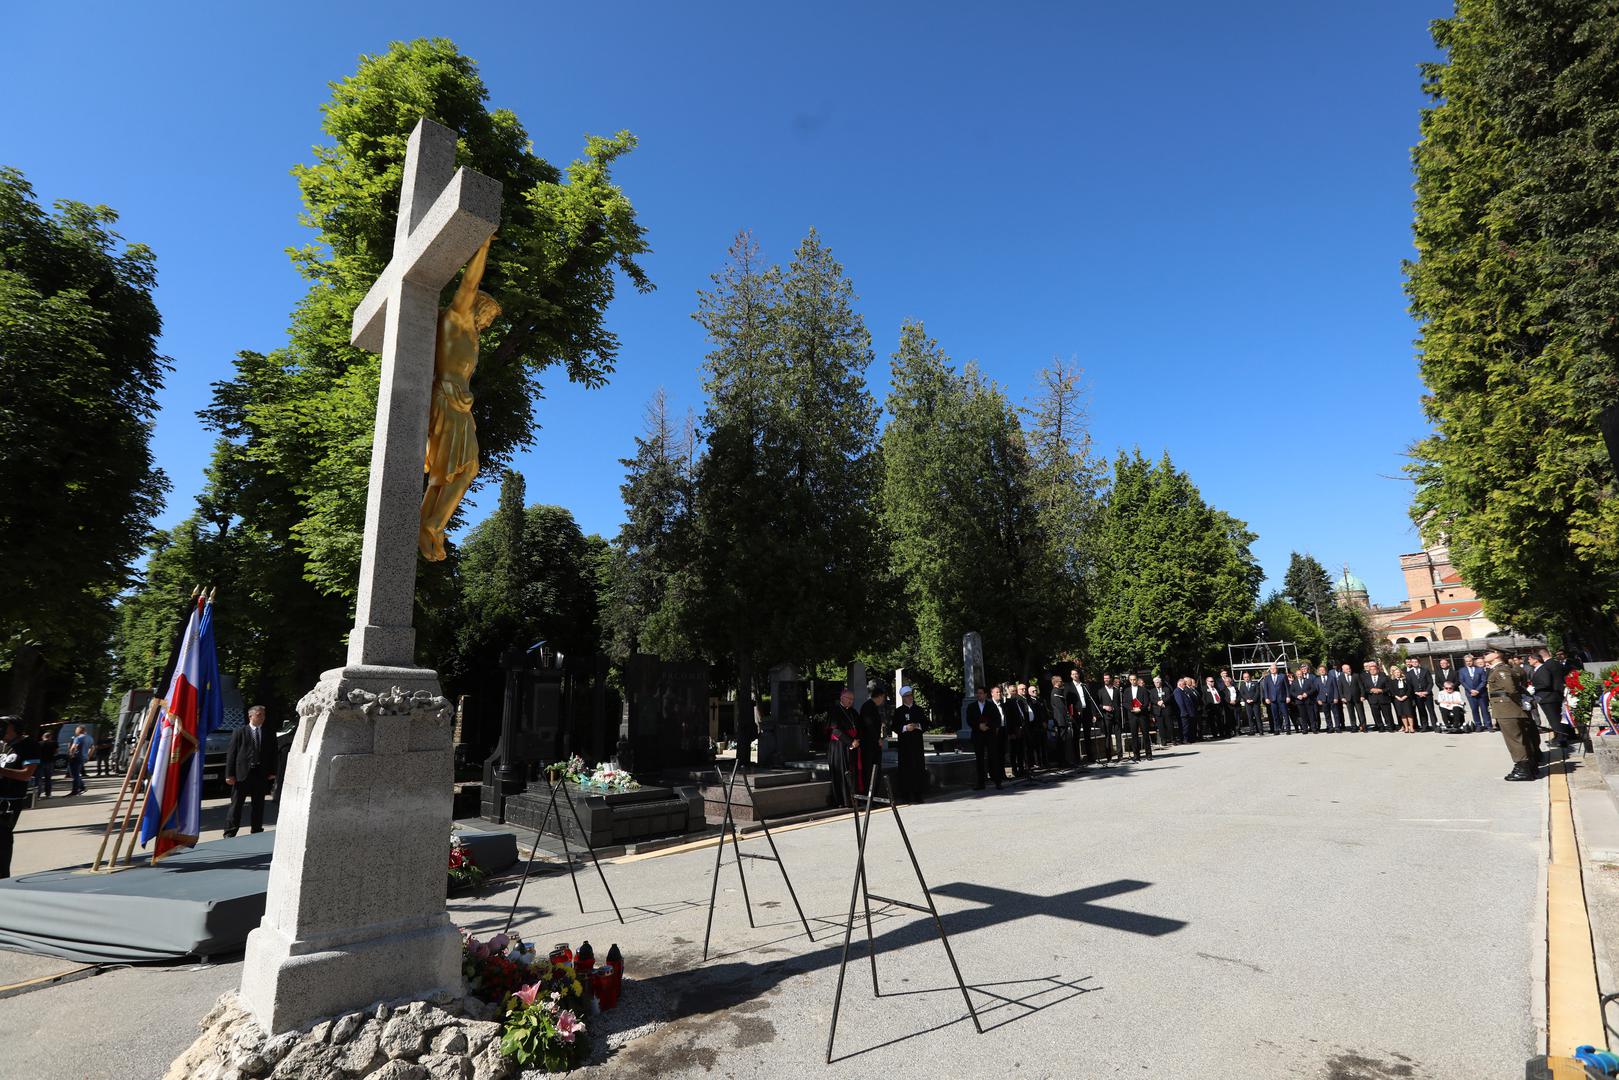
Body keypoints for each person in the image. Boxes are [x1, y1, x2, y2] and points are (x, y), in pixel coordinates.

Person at [224, 706, 278, 837]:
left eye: (264, 715)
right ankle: (230, 832)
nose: (262, 718)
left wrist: (273, 771)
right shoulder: (240, 732)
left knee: (258, 804)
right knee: (236, 805)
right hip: (241, 774)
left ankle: (256, 830)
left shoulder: (268, 732)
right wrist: (229, 774)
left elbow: (273, 753)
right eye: (259, 715)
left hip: (260, 773)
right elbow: (232, 754)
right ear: (251, 716)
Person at [1486, 647, 1538, 780]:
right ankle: (1529, 766)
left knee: (1514, 740)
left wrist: (1518, 703)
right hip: (1506, 708)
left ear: (1497, 655)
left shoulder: (1501, 670)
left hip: (1507, 709)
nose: (1484, 655)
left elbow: (1511, 689)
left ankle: (1523, 769)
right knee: (1520, 738)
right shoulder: (1500, 669)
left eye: (1488, 653)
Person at [0, 717, 43, 878]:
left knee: (2, 841)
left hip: (9, 802)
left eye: (5, 727)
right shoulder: (3, 744)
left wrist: (1, 772)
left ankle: (3, 881)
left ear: (16, 729)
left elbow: (26, 774)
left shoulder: (29, 745)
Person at [1529, 649, 1578, 749]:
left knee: (1554, 719)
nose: (1528, 661)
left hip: (1550, 695)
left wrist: (1534, 688)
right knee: (1560, 717)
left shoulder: (1546, 666)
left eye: (1530, 659)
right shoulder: (1555, 663)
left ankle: (1561, 738)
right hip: (1557, 693)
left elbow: (1546, 682)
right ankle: (1566, 735)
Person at [826, 688, 862, 807]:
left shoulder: (854, 712)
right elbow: (835, 731)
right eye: (848, 699)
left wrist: (857, 740)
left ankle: (853, 798)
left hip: (853, 746)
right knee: (841, 773)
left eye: (852, 699)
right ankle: (842, 800)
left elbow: (860, 728)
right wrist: (850, 742)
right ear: (842, 698)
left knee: (853, 773)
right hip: (840, 747)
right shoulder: (835, 711)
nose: (851, 701)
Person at [891, 686, 927, 803]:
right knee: (905, 769)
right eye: (907, 696)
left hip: (917, 743)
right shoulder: (899, 711)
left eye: (911, 695)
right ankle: (905, 794)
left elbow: (926, 724)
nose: (910, 698)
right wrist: (906, 727)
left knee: (918, 768)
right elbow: (895, 727)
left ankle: (918, 794)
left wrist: (917, 726)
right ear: (903, 698)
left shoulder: (919, 710)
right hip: (905, 745)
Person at [967, 685, 1003, 790]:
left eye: (981, 693)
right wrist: (978, 726)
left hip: (989, 735)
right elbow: (969, 720)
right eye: (977, 693)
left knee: (993, 758)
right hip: (978, 736)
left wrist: (988, 726)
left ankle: (997, 781)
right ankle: (981, 783)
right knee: (979, 759)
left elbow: (997, 719)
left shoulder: (991, 706)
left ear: (985, 694)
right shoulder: (971, 706)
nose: (979, 695)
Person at [858, 687, 887, 789]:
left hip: (873, 743)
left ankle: (873, 795)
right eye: (883, 697)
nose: (883, 700)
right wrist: (877, 738)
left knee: (875, 769)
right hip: (869, 744)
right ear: (879, 696)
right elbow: (869, 725)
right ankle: (869, 795)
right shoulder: (868, 706)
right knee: (870, 769)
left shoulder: (872, 706)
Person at [1067, 667, 1095, 766]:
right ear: (1071, 676)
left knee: (1088, 735)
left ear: (1079, 675)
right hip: (1076, 713)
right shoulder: (1068, 686)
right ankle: (1076, 758)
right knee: (1076, 736)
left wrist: (1093, 714)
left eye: (1076, 674)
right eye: (1073, 674)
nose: (1075, 675)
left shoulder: (1085, 685)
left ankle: (1090, 756)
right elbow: (1068, 702)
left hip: (1086, 712)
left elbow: (1090, 700)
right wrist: (1072, 712)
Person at [1460, 653, 1491, 732]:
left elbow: (1483, 681)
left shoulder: (1479, 669)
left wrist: (1477, 690)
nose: (1468, 663)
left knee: (1484, 709)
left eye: (1470, 661)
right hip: (1470, 693)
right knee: (1474, 709)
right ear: (1465, 662)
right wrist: (1471, 690)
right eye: (1467, 661)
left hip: (1481, 693)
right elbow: (1462, 682)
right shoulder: (1462, 671)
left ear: (1473, 661)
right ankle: (1478, 725)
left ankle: (1488, 725)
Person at [1096, 674, 1124, 763]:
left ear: (1111, 679)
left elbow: (1120, 702)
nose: (1106, 680)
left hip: (1116, 715)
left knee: (1118, 735)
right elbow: (1097, 704)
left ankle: (1120, 756)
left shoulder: (1116, 690)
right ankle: (1109, 757)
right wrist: (1104, 707)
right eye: (1105, 678)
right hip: (1106, 716)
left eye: (1108, 678)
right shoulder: (1100, 691)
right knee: (1107, 736)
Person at [1124, 674, 1152, 761]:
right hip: (1132, 715)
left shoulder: (1143, 690)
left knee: (1145, 734)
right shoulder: (1127, 690)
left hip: (1142, 714)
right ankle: (1136, 755)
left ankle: (1148, 754)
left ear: (1137, 680)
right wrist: (1132, 708)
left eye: (1134, 679)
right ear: (1129, 680)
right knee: (1134, 735)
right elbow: (1125, 703)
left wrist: (1140, 709)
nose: (1133, 681)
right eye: (1131, 680)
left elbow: (1146, 702)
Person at [1360, 661, 1395, 732]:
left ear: (1377, 670)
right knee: (1376, 715)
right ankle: (1380, 727)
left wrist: (1381, 690)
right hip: (1373, 700)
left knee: (1387, 714)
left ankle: (1390, 727)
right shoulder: (1366, 679)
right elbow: (1364, 689)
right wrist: (1371, 690)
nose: (1372, 671)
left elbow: (1388, 688)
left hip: (1383, 699)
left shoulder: (1383, 677)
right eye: (1371, 670)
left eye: (1374, 669)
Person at [1048, 674, 1072, 767]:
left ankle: (1064, 760)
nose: (1063, 683)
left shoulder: (1058, 691)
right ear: (1057, 683)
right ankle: (1062, 761)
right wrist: (1067, 717)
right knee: (1061, 740)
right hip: (1060, 719)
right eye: (1061, 681)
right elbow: (1061, 707)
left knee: (1063, 740)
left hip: (1062, 719)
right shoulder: (1055, 692)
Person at [1407, 659, 1435, 732]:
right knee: (1421, 711)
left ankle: (1435, 726)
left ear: (1419, 662)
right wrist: (1416, 692)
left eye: (1416, 662)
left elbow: (1430, 682)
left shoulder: (1425, 670)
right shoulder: (1409, 673)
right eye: (1413, 662)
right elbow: (1409, 686)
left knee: (1431, 710)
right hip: (1417, 695)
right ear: (1411, 663)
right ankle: (1425, 726)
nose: (1415, 663)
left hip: (1427, 694)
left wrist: (1426, 692)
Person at [1290, 664, 1319, 734]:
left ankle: (1313, 728)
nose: (1299, 675)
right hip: (1299, 702)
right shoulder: (1294, 683)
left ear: (1303, 674)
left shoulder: (1308, 681)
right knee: (1303, 716)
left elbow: (1313, 689)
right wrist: (1297, 696)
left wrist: (1307, 693)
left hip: (1308, 701)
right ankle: (1305, 729)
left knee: (1311, 715)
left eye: (1301, 674)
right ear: (1296, 675)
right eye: (1298, 674)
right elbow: (1291, 692)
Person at [1262, 663, 1290, 735]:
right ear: (1270, 670)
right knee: (1275, 715)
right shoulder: (1267, 678)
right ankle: (1276, 729)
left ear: (1277, 669)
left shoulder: (1282, 676)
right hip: (1272, 699)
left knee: (1285, 714)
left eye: (1274, 668)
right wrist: (1266, 698)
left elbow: (1287, 687)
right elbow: (1266, 689)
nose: (1273, 670)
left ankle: (1288, 729)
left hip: (1282, 698)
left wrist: (1288, 696)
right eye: (1271, 669)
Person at [65, 724, 93, 796]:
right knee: (76, 774)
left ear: (79, 730)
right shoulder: (90, 738)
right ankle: (82, 787)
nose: (75, 731)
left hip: (76, 757)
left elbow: (74, 747)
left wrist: (71, 754)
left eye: (76, 730)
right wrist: (88, 756)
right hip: (83, 757)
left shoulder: (78, 738)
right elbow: (92, 748)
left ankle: (75, 791)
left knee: (74, 775)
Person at [1339, 663, 1366, 733]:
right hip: (1348, 698)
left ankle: (1363, 726)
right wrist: (1342, 697)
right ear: (1343, 670)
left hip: (1357, 698)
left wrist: (1362, 695)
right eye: (1347, 669)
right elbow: (1340, 688)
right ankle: (1354, 726)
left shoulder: (1356, 676)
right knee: (1351, 713)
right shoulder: (1341, 677)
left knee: (1361, 713)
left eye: (1349, 668)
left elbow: (1361, 687)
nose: (1349, 670)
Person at [1173, 677, 1201, 744]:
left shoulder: (1183, 691)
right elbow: (1180, 703)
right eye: (1184, 684)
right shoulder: (1177, 691)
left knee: (1188, 726)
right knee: (1185, 727)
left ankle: (1189, 739)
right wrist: (1184, 712)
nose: (1185, 685)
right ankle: (1184, 739)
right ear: (1180, 684)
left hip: (1189, 712)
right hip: (1184, 713)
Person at [1150, 675, 1174, 747]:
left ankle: (1171, 739)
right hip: (1158, 711)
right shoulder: (1152, 691)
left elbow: (1170, 697)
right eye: (1155, 682)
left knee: (1169, 725)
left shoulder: (1166, 689)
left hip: (1166, 709)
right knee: (1161, 726)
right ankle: (1163, 740)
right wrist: (1158, 702)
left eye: (1158, 682)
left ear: (1161, 682)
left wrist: (1163, 701)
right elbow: (1152, 699)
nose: (1157, 684)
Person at [1391, 667, 1416, 734]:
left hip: (1406, 698)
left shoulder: (1406, 680)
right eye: (1395, 673)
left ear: (1401, 673)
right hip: (1398, 699)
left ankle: (1411, 727)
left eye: (1398, 672)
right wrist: (1397, 697)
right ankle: (1406, 727)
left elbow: (1410, 689)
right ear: (1393, 674)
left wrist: (1405, 696)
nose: (1397, 674)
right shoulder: (1392, 681)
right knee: (1402, 714)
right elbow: (1392, 691)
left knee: (1409, 713)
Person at [33, 725, 54, 799]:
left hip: (40, 762)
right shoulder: (54, 743)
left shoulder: (39, 744)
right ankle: (48, 794)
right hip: (50, 762)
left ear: (43, 737)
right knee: (48, 779)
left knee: (39, 779)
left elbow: (35, 753)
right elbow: (56, 752)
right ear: (50, 737)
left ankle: (37, 795)